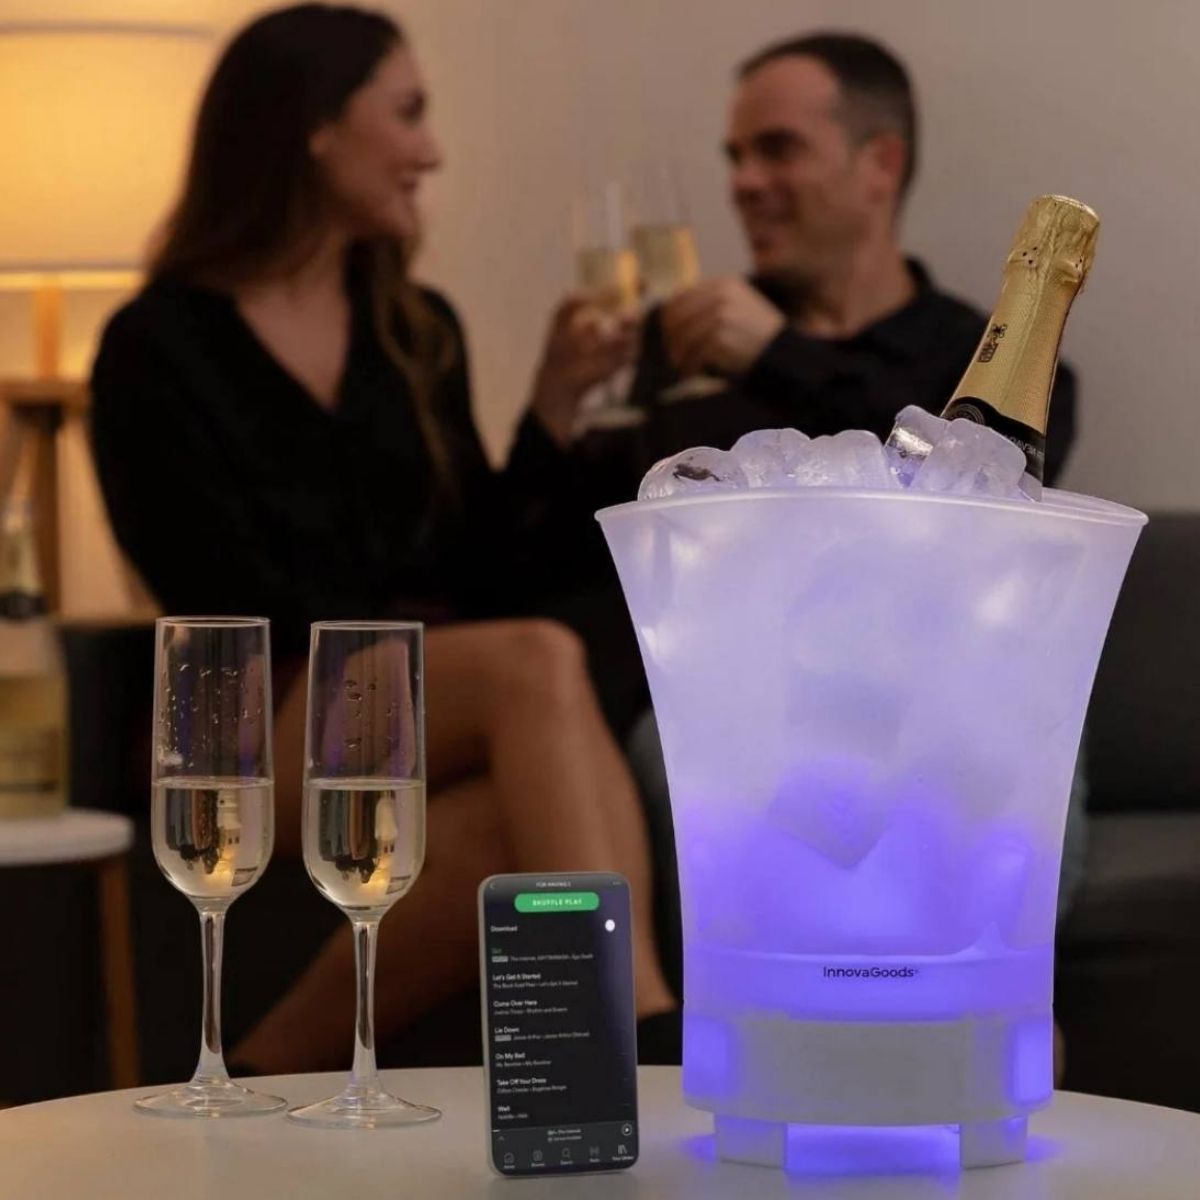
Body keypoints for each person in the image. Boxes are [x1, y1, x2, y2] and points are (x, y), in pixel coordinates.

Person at [90, 3, 673, 1074]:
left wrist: (550, 409)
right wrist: (406, 641)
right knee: (535, 659)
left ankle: (265, 1071)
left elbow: (474, 566)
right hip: (243, 717)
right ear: (316, 126)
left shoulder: (416, 327)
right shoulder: (155, 347)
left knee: (502, 824)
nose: (431, 151)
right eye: (407, 113)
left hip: (394, 697)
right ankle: (640, 1038)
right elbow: (217, 590)